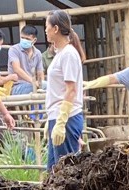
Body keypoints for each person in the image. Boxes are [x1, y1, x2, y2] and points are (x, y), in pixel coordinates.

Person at [44, 10, 85, 169]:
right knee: (54, 172)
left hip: (67, 117)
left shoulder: (68, 54)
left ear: (55, 29)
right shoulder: (61, 54)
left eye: (46, 26)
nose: (45, 30)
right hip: (58, 116)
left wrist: (61, 121)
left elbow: (71, 90)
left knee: (66, 172)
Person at [8, 25, 44, 96]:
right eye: (22, 38)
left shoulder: (38, 53)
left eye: (27, 39)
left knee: (48, 86)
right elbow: (17, 69)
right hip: (16, 86)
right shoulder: (14, 49)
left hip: (32, 85)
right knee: (34, 88)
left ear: (34, 40)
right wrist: (33, 82)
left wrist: (41, 84)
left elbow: (40, 72)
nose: (24, 40)